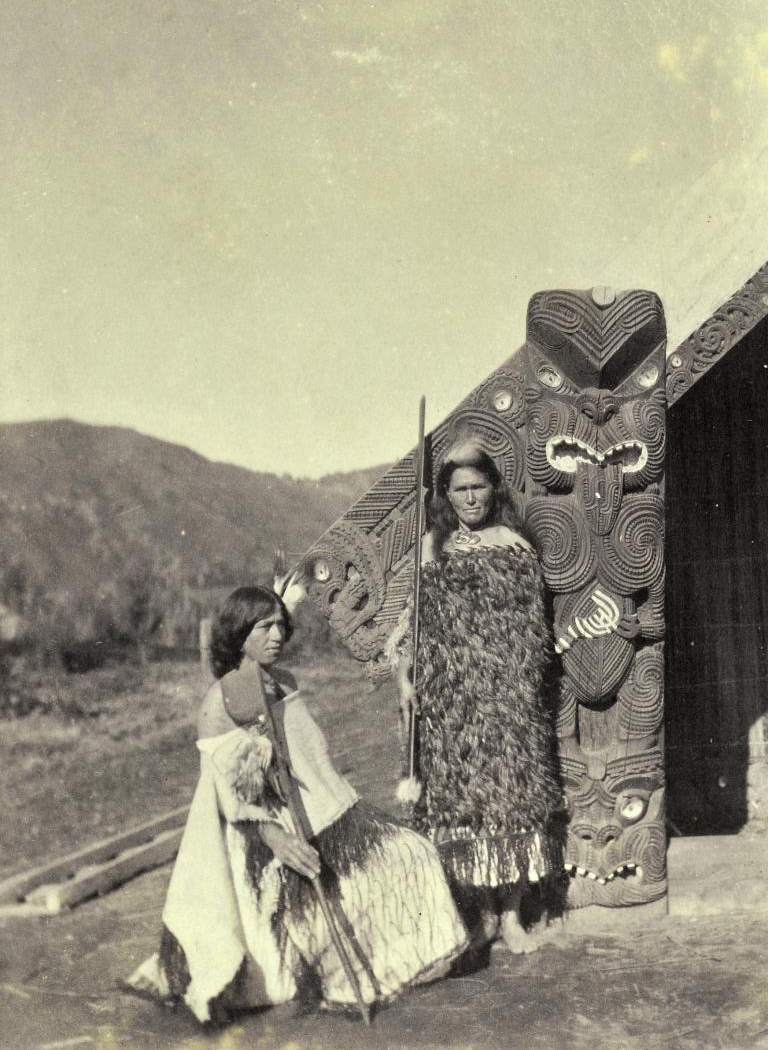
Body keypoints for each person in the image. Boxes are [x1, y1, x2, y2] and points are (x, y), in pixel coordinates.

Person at [126, 584, 467, 1024]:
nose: (277, 636)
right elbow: (233, 795)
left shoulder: (285, 682)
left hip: (329, 813)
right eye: (264, 627)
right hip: (265, 836)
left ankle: (409, 959)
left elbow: (312, 760)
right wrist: (279, 841)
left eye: (280, 626)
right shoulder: (221, 702)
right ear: (239, 633)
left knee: (413, 853)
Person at [388, 439, 563, 956]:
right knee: (465, 807)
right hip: (451, 706)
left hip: (508, 704)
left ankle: (511, 916)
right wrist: (406, 677)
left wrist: (520, 686)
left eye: (478, 487)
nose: (470, 498)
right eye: (460, 489)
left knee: (512, 804)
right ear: (445, 494)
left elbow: (533, 630)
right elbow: (412, 628)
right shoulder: (431, 550)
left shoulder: (515, 545)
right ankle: (482, 915)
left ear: (493, 489)